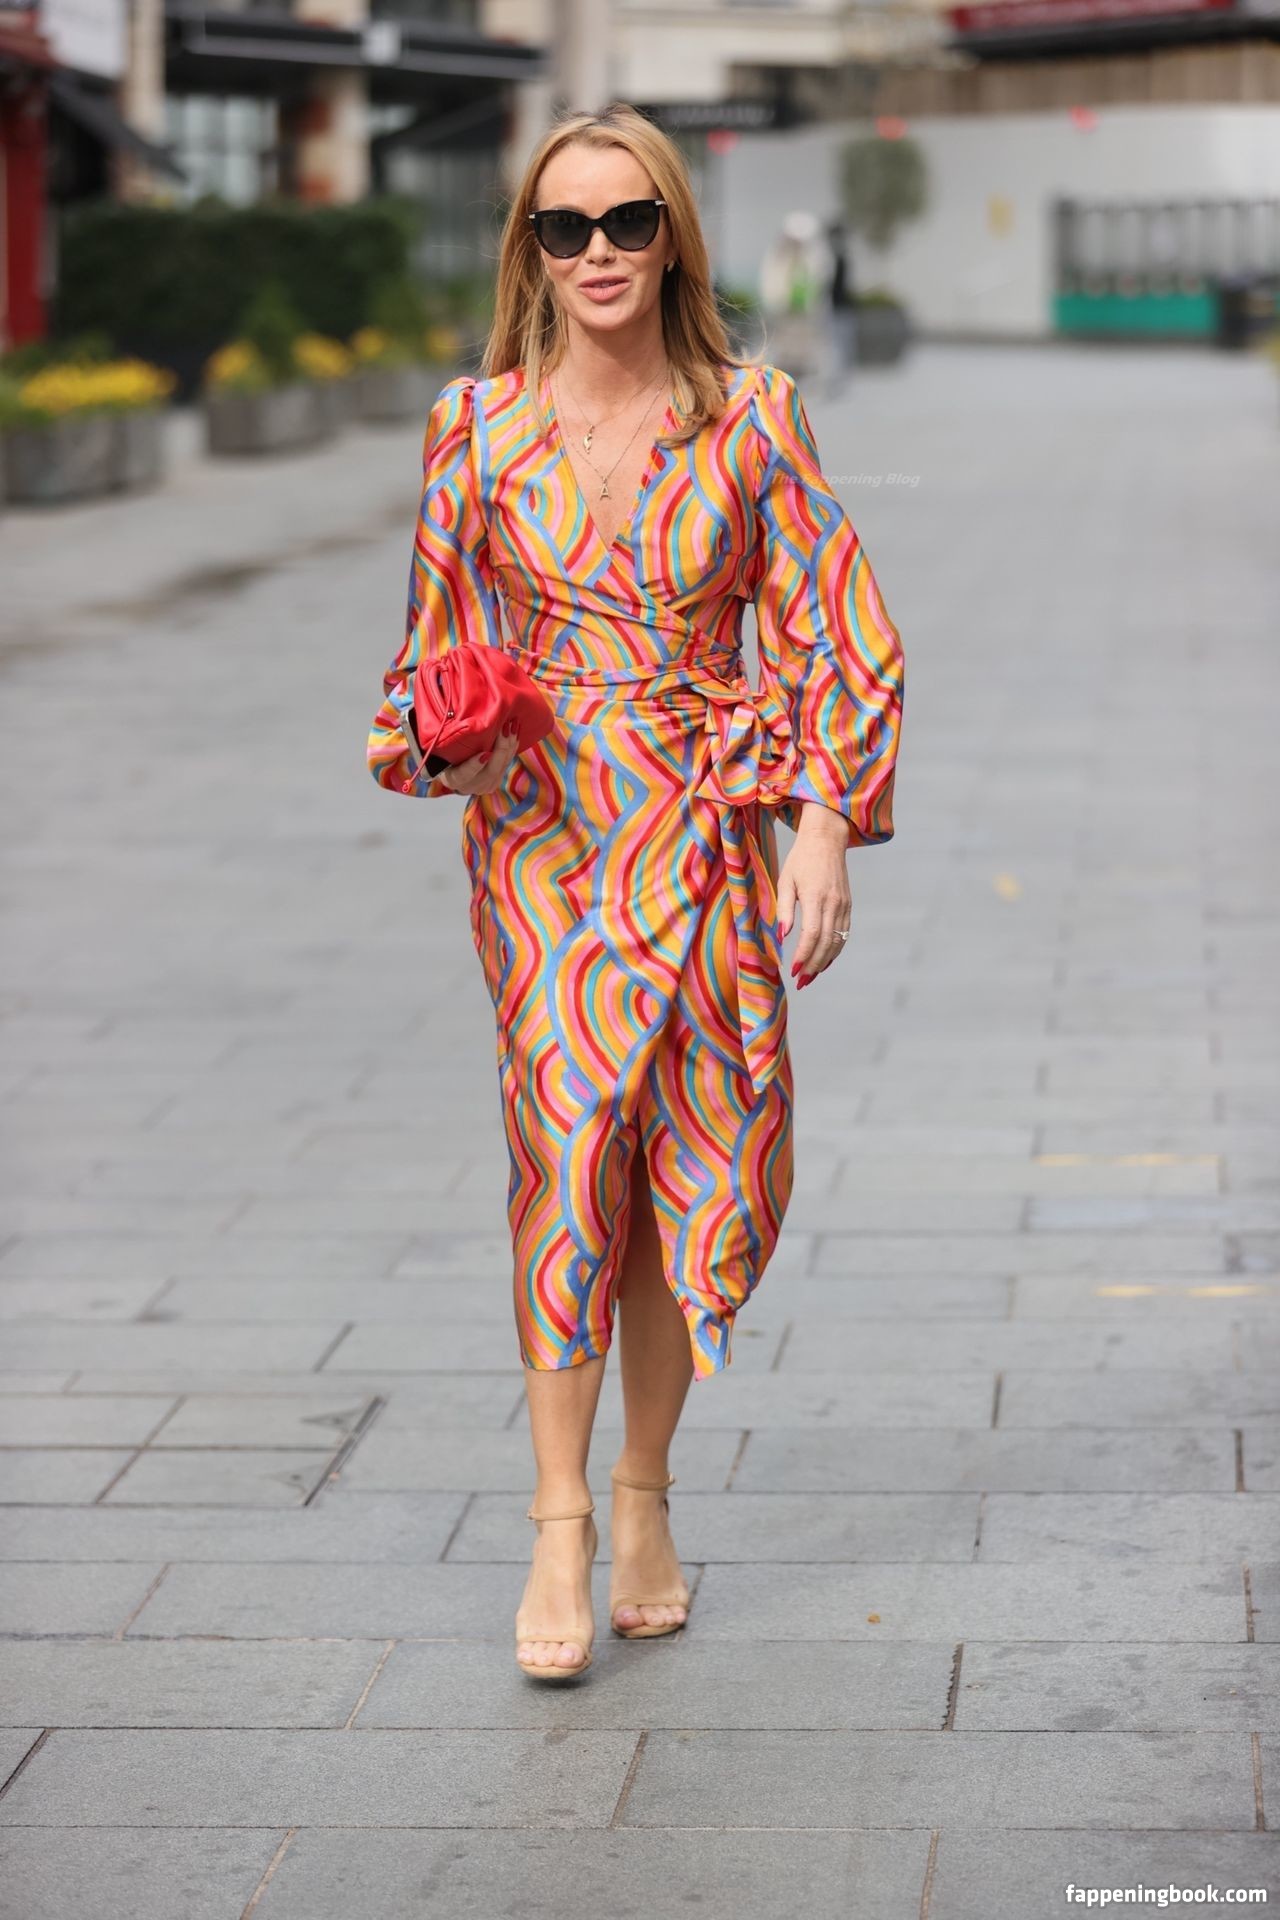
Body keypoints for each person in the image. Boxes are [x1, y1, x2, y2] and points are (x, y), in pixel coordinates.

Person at [366, 102, 905, 1684]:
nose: (596, 252)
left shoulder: (755, 418)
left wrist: (820, 829)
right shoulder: (474, 427)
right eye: (564, 226)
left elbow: (835, 629)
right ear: (528, 250)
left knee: (694, 1165)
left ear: (673, 236)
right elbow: (432, 649)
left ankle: (645, 1491)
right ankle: (558, 1521)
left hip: (705, 825)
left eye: (627, 221)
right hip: (542, 834)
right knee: (566, 1152)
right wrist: (447, 745)